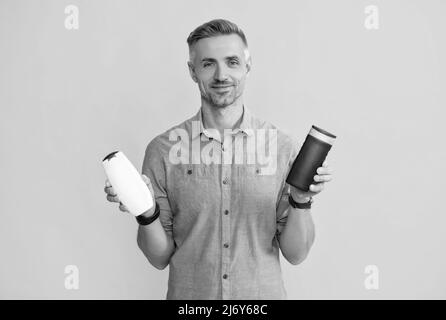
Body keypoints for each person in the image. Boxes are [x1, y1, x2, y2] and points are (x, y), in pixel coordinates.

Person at [104, 19, 333, 300]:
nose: (221, 75)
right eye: (208, 63)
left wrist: (301, 200)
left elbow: (296, 254)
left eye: (232, 62)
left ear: (248, 66)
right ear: (192, 71)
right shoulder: (162, 150)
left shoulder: (282, 148)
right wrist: (144, 211)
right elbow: (158, 258)